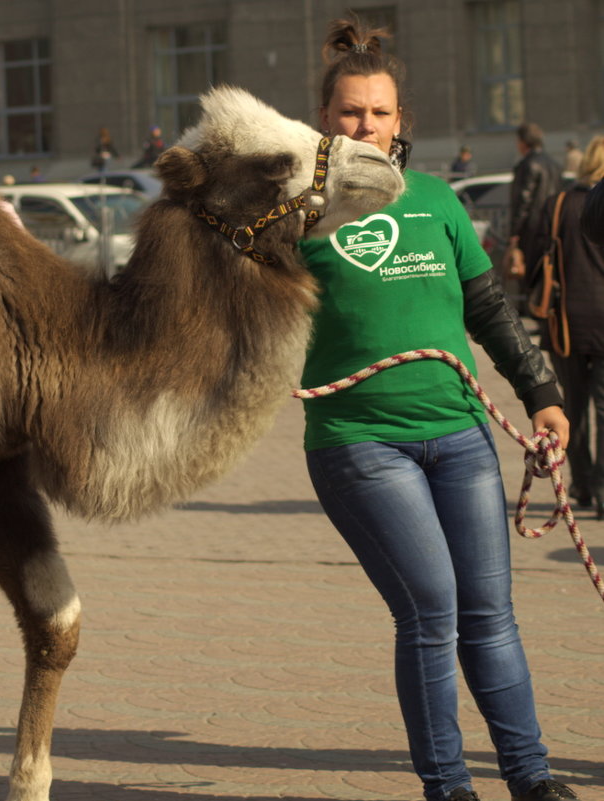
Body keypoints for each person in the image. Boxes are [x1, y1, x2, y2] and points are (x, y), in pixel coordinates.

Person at [298, 15, 577, 801]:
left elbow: (489, 309)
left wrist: (544, 394)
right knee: (432, 607)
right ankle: (448, 785)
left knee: (491, 612)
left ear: (399, 122)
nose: (365, 125)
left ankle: (531, 776)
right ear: (326, 119)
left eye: (379, 113)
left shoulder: (435, 199)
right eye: (351, 111)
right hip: (359, 439)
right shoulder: (299, 212)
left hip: (457, 434)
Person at [524, 135, 604, 518]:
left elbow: (535, 255)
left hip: (566, 320)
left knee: (570, 405)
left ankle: (583, 482)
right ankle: (602, 488)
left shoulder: (558, 204)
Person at [505, 123, 562, 289]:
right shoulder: (555, 164)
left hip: (531, 228)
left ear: (523, 142)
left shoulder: (527, 165)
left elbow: (523, 200)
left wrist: (514, 232)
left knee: (529, 276)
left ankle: (532, 309)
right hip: (553, 224)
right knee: (548, 273)